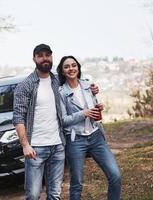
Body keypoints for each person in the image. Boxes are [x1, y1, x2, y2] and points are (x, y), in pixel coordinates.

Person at [57, 55, 121, 200]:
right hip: (75, 140)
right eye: (66, 67)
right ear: (62, 71)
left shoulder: (88, 85)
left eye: (74, 65)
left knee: (115, 175)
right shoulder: (61, 93)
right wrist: (83, 114)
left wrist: (98, 106)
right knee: (77, 183)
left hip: (96, 136)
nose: (71, 68)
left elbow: (93, 106)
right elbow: (63, 120)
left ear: (78, 68)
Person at [13, 44, 65, 199]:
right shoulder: (26, 85)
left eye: (48, 55)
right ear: (34, 58)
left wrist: (92, 87)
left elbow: (75, 82)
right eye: (41, 55)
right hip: (35, 149)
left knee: (55, 194)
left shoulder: (56, 80)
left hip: (57, 146)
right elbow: (18, 117)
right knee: (33, 195)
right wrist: (25, 145)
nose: (45, 58)